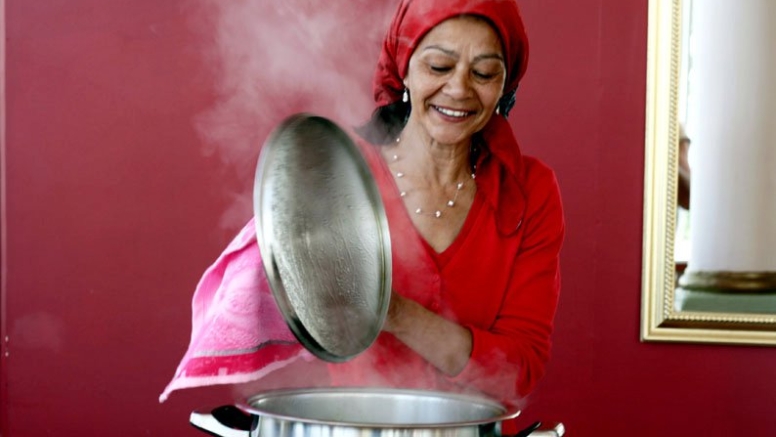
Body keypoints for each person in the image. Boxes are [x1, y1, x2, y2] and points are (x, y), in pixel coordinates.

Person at [162, 0, 565, 424]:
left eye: (483, 73)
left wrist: (391, 313)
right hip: (351, 426)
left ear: (505, 84)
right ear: (403, 68)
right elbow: (298, 301)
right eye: (438, 67)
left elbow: (517, 372)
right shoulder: (341, 175)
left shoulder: (530, 191)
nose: (460, 89)